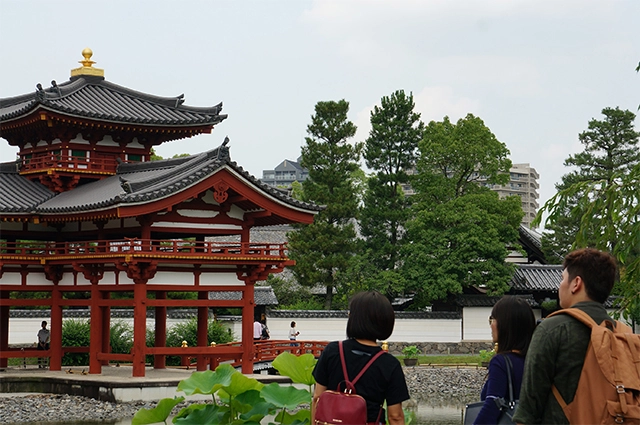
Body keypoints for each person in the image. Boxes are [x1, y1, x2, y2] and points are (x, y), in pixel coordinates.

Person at [513, 248, 618, 424]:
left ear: (576, 283)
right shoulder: (622, 333)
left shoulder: (553, 328)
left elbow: (528, 409)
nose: (559, 285)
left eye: (562, 279)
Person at [311, 291, 410, 425]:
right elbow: (395, 416)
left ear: (353, 319)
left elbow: (318, 397)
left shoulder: (332, 351)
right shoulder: (389, 364)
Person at [473, 296, 536, 424]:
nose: (491, 325)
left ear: (505, 325)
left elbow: (492, 405)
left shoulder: (501, 362)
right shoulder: (536, 359)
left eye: (493, 319)